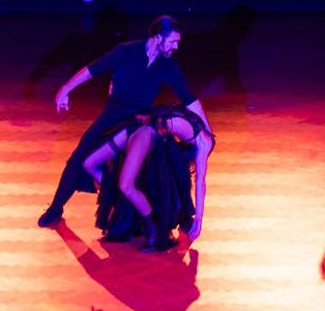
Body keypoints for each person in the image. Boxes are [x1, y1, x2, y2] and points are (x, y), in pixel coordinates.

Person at [37, 15, 208, 228]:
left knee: (166, 168)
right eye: (173, 41)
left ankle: (181, 217)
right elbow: (92, 69)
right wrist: (65, 89)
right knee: (78, 159)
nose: (176, 46)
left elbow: (189, 99)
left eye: (178, 42)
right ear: (158, 37)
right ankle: (56, 208)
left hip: (139, 121)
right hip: (112, 116)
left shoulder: (168, 66)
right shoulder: (126, 51)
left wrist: (206, 131)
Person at [81, 103, 216, 250]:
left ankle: (154, 230)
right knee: (89, 164)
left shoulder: (198, 125)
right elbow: (200, 181)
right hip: (138, 125)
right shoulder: (205, 142)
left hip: (146, 131)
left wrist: (199, 217)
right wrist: (199, 218)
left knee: (127, 185)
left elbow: (199, 180)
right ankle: (127, 203)